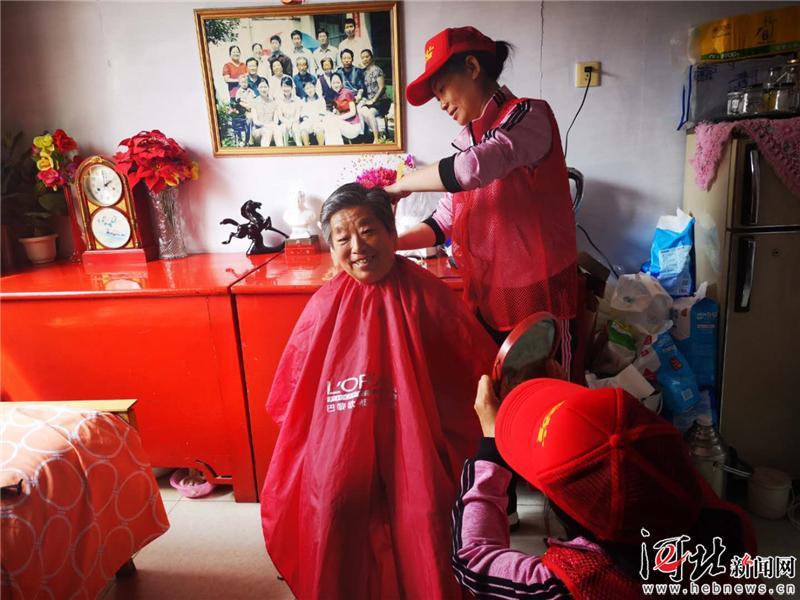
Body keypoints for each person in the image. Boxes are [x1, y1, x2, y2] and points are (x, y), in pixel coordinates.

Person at [260, 183, 497, 600]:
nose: (357, 248)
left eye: (368, 231)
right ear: (331, 247)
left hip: (419, 439)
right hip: (340, 438)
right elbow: (292, 398)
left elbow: (474, 374)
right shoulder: (324, 305)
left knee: (423, 511)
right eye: (342, 238)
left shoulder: (429, 296)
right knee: (331, 504)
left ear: (391, 233)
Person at [452, 376, 762, 599]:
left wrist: (490, 448)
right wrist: (574, 412)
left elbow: (474, 559)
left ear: (570, 513)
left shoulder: (577, 584)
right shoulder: (728, 525)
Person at [384, 27, 578, 355]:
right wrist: (390, 244)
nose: (441, 104)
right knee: (492, 382)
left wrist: (401, 185)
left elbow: (471, 169)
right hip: (489, 297)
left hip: (539, 296)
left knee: (543, 382)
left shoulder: (528, 115)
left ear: (472, 68)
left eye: (442, 89)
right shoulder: (468, 143)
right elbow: (443, 222)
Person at [329, 72, 362, 143]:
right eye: (333, 83)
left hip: (353, 125)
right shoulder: (335, 96)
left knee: (333, 122)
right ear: (331, 84)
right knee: (329, 121)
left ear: (341, 83)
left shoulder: (347, 93)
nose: (336, 85)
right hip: (343, 124)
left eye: (338, 82)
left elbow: (353, 112)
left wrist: (338, 118)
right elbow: (338, 113)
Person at [250, 80, 280, 147]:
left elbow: (276, 121)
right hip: (258, 130)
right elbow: (255, 121)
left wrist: (270, 126)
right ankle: (264, 151)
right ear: (257, 88)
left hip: (271, 129)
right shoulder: (254, 102)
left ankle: (281, 151)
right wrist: (266, 125)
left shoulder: (273, 102)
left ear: (268, 88)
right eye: (261, 87)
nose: (263, 89)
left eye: (265, 87)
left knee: (277, 129)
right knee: (267, 131)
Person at [276, 75, 303, 146]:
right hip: (284, 123)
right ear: (281, 87)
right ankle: (285, 148)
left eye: (288, 86)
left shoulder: (297, 99)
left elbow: (297, 116)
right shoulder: (278, 100)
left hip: (296, 123)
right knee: (284, 128)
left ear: (291, 87)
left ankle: (299, 147)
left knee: (295, 127)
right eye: (284, 86)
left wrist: (291, 123)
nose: (286, 89)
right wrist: (287, 123)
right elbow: (280, 116)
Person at [298, 80, 327, 146]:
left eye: (311, 87)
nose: (310, 90)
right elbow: (303, 114)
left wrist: (316, 120)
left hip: (319, 120)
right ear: (304, 90)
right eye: (307, 88)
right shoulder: (303, 101)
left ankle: (321, 148)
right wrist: (309, 121)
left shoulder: (320, 99)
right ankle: (307, 148)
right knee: (303, 130)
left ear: (315, 87)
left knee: (319, 129)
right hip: (307, 121)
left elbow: (322, 113)